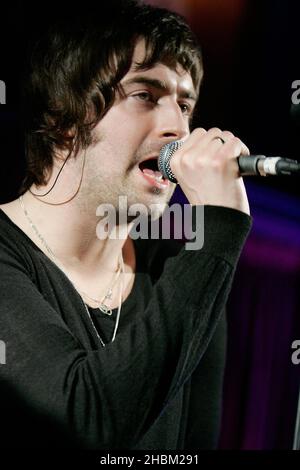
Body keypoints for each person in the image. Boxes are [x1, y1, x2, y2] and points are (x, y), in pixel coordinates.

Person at [0, 0, 252, 449]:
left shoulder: (179, 271)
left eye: (185, 105)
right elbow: (82, 426)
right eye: (145, 96)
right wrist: (217, 229)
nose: (178, 127)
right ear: (64, 119)